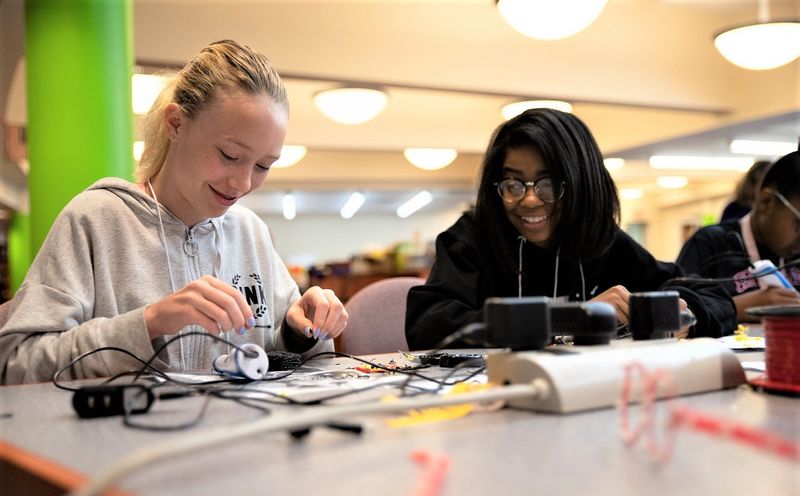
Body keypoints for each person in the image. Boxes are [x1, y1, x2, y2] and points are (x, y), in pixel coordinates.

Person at [0, 40, 347, 384]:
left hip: (244, 434)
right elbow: (16, 363)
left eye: (263, 166)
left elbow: (290, 360)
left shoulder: (250, 231)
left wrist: (300, 329)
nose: (242, 183)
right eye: (228, 155)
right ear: (176, 124)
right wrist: (148, 323)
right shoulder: (96, 220)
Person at [405, 108, 736, 350]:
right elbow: (428, 324)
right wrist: (572, 317)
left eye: (549, 184)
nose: (530, 200)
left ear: (583, 184)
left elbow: (714, 297)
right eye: (513, 183)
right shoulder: (471, 238)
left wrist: (686, 315)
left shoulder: (602, 239)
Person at [677, 149, 800, 322]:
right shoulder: (710, 244)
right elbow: (675, 313)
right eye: (798, 225)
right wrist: (736, 307)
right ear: (767, 201)